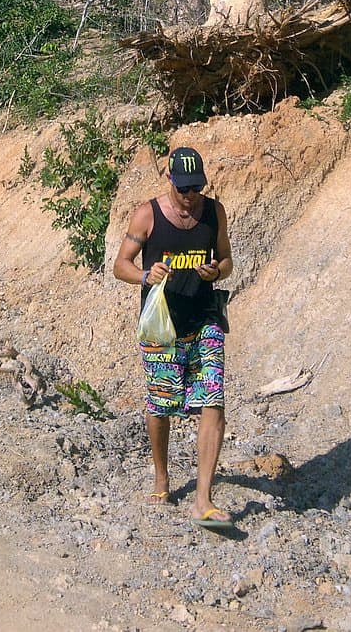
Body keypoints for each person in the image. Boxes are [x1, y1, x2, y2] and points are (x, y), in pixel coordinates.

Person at [113, 144, 234, 527]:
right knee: (161, 405)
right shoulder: (147, 215)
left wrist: (217, 272)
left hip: (205, 319)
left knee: (213, 398)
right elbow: (120, 266)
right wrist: (146, 276)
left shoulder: (214, 212)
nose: (189, 196)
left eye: (196, 187)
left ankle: (203, 500)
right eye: (183, 189)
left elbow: (228, 259)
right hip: (162, 326)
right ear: (169, 181)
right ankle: (162, 475)